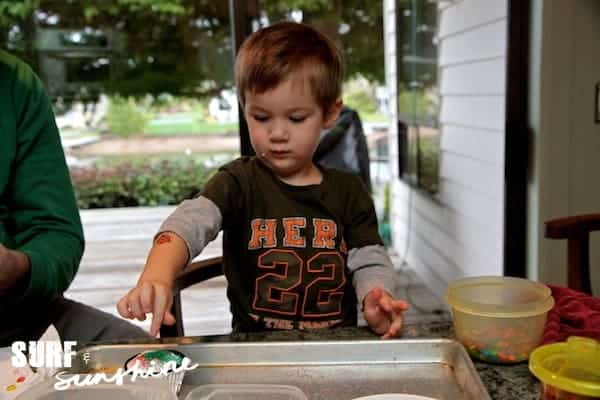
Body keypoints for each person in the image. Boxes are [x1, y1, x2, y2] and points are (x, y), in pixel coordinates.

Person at [118, 22, 409, 338]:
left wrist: (377, 296)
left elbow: (369, 258)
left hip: (333, 348)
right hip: (255, 348)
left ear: (329, 113)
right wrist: (157, 274)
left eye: (296, 119)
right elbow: (187, 223)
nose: (278, 134)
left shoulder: (348, 191)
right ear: (244, 110)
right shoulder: (238, 182)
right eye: (261, 117)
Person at [0, 49, 149, 346]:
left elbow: (57, 233)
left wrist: (18, 266)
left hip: (15, 317)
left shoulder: (15, 82)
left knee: (147, 359)